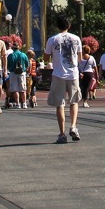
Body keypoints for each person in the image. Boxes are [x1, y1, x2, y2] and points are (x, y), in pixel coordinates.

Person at [45, 15, 83, 143]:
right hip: (73, 74)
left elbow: (46, 58)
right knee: (74, 101)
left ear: (57, 26)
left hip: (58, 74)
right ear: (69, 25)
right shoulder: (76, 39)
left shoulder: (52, 40)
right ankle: (73, 126)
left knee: (59, 104)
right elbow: (80, 58)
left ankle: (62, 134)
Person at [7, 42, 29, 109]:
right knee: (23, 89)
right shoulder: (23, 55)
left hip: (13, 73)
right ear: (19, 47)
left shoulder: (10, 56)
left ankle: (17, 104)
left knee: (15, 89)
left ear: (12, 48)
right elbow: (27, 64)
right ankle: (24, 103)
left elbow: (8, 65)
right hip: (22, 73)